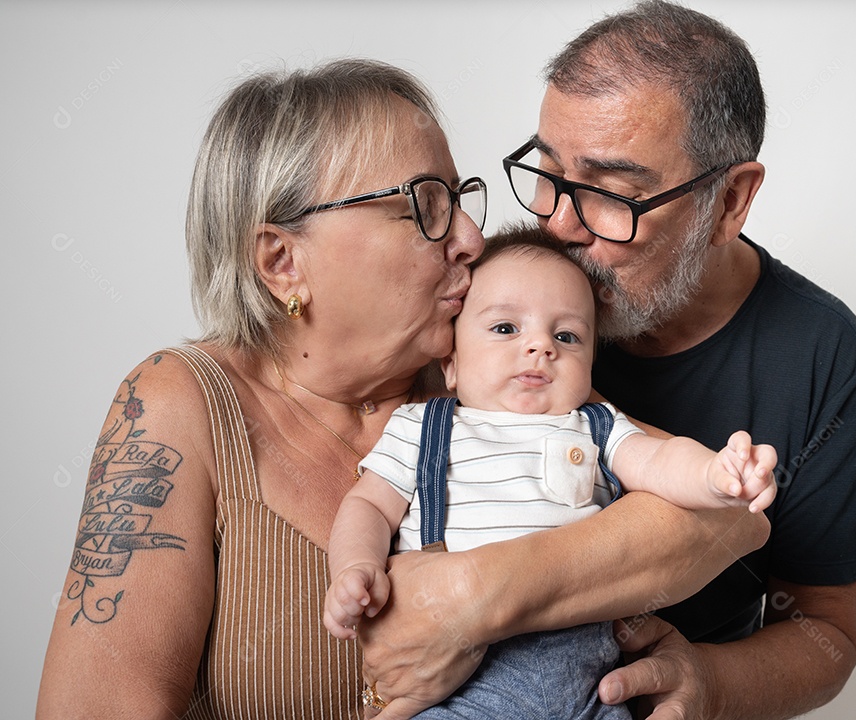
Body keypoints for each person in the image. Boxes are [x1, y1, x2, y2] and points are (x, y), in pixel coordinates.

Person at [36, 58, 770, 719]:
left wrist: (469, 599)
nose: (472, 240)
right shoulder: (177, 404)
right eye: (425, 205)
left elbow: (730, 519)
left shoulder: (494, 372)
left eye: (460, 197)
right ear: (283, 261)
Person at [499, 1, 856, 718]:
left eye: (612, 195)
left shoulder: (824, 354)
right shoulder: (510, 296)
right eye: (549, 171)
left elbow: (826, 630)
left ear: (731, 199)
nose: (557, 224)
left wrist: (708, 683)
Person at [323, 229, 777, 718]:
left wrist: (714, 474)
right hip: (459, 685)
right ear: (450, 363)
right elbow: (368, 504)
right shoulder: (424, 427)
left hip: (588, 682)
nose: (540, 346)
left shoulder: (597, 427)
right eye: (505, 329)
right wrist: (355, 567)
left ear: (590, 367)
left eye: (566, 335)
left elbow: (658, 461)